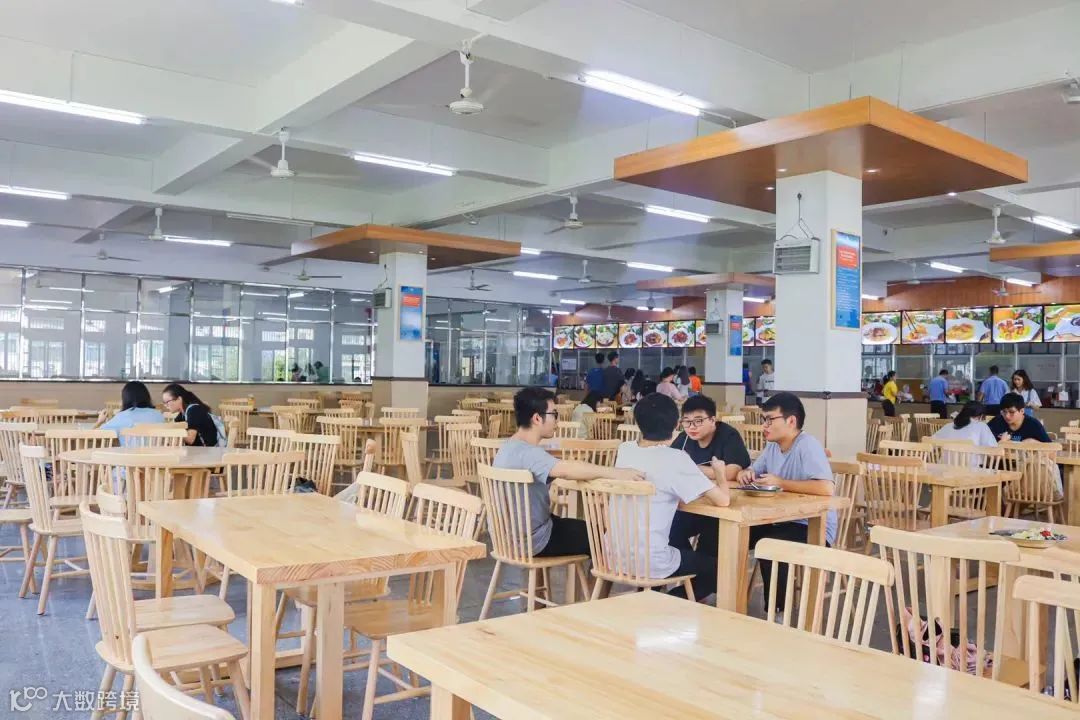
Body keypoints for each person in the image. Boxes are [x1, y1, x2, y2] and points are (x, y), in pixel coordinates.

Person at [492, 387, 644, 557]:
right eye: (554, 414)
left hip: (506, 538)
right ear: (537, 418)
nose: (557, 420)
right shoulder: (529, 453)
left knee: (585, 529)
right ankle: (598, 574)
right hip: (534, 540)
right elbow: (567, 470)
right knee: (604, 537)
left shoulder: (507, 447)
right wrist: (616, 472)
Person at [615, 393, 730, 601]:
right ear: (677, 424)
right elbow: (723, 500)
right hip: (651, 562)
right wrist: (720, 473)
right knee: (718, 568)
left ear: (637, 423)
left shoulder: (625, 450)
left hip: (612, 556)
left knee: (677, 539)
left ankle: (652, 600)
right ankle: (669, 602)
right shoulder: (676, 459)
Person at [736, 392, 835, 612]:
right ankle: (728, 600)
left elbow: (826, 487)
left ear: (791, 421)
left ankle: (778, 613)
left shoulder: (807, 445)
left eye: (770, 420)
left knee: (770, 546)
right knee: (735, 533)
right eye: (763, 419)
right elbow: (755, 469)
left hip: (812, 526)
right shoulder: (773, 445)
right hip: (780, 519)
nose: (764, 425)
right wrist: (746, 473)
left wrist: (781, 483)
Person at [95, 381, 165, 446]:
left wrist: (99, 422)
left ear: (126, 398)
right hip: (157, 455)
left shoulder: (122, 417)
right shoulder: (158, 415)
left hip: (128, 455)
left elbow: (94, 435)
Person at [932, 401, 996, 447]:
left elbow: (931, 442)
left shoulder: (948, 426)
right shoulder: (982, 426)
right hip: (972, 462)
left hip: (946, 462)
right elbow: (992, 449)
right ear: (981, 416)